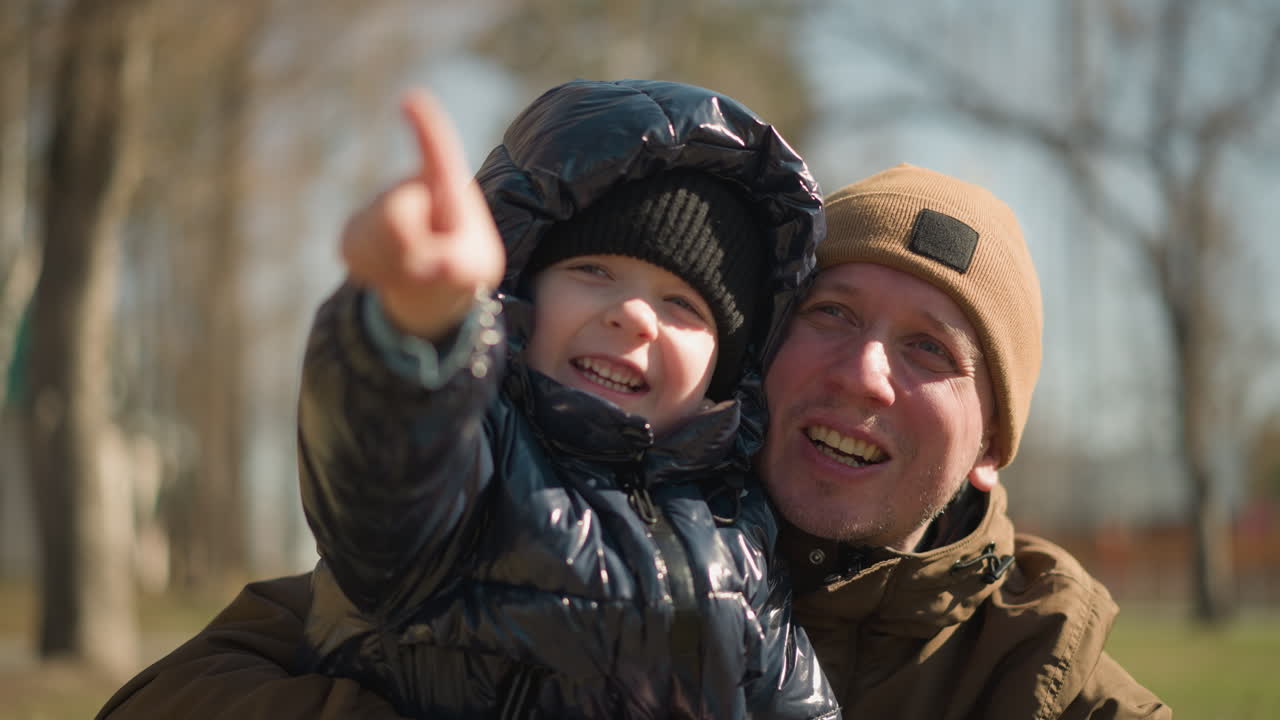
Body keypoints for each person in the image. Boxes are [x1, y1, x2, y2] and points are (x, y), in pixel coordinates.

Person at [97, 164, 1170, 719]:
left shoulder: (1042, 679)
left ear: (993, 444)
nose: (862, 374)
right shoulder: (564, 524)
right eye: (828, 317)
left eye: (931, 349)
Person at [218, 78, 837, 720]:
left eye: (682, 305)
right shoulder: (476, 468)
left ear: (725, 370)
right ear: (518, 295)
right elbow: (385, 455)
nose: (633, 316)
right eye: (593, 271)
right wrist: (418, 327)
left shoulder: (737, 529)